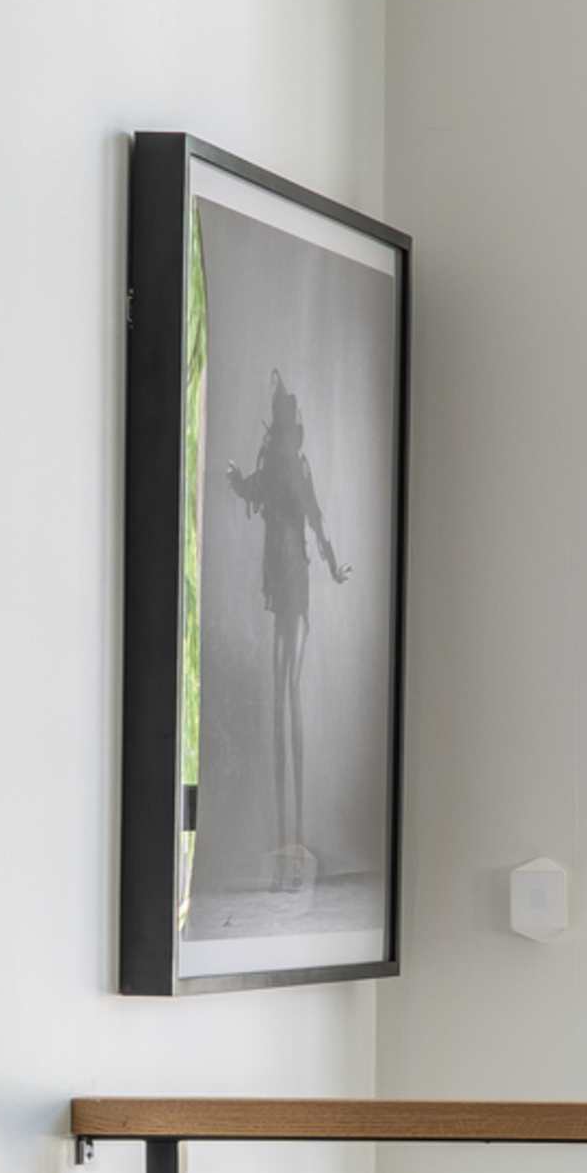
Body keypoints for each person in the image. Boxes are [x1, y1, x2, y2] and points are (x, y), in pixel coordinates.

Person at [222, 375, 347, 882]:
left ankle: (292, 834)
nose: (277, 437)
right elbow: (264, 496)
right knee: (282, 694)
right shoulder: (280, 468)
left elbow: (313, 522)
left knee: (286, 693)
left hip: (291, 584)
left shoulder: (288, 469)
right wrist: (235, 478)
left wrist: (333, 564)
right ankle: (287, 834)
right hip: (285, 583)